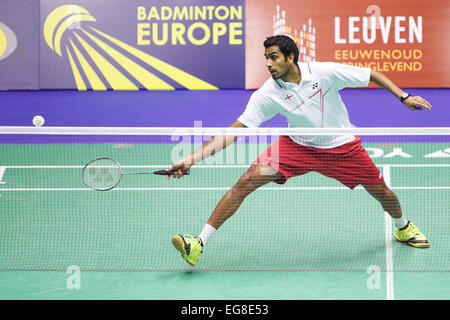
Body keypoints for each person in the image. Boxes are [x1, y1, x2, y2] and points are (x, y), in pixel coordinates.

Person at [167, 35, 432, 267]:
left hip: (340, 145)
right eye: (266, 58)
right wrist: (190, 159)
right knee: (247, 180)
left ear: (290, 57)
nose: (268, 64)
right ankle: (199, 242)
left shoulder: (324, 73)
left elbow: (370, 74)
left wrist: (404, 97)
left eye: (274, 57)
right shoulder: (267, 94)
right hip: (298, 146)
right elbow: (234, 131)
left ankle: (403, 226)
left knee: (381, 191)